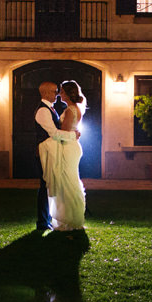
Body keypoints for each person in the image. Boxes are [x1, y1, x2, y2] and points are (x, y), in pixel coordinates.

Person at [38, 80, 87, 231]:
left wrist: (71, 135)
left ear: (68, 93)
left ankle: (69, 219)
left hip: (68, 148)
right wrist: (73, 135)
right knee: (68, 181)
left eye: (61, 92)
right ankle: (69, 218)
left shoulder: (71, 110)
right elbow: (64, 133)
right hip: (69, 146)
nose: (59, 94)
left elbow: (63, 133)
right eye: (56, 91)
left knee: (68, 183)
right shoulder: (70, 108)